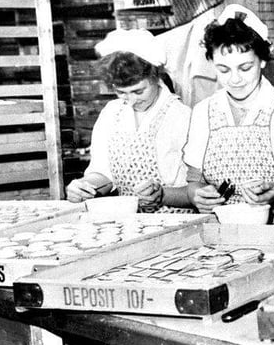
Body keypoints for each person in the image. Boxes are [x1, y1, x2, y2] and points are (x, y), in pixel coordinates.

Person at [183, 4, 274, 224]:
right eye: (224, 69)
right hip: (221, 233)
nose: (235, 79)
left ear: (263, 60)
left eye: (245, 67)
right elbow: (194, 182)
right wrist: (197, 195)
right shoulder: (203, 113)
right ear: (211, 63)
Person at [65, 28, 194, 213]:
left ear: (155, 76)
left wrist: (163, 194)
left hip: (176, 220)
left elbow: (197, 189)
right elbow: (103, 173)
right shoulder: (111, 113)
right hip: (128, 220)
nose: (131, 101)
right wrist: (84, 187)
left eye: (138, 91)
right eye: (121, 92)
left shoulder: (182, 116)